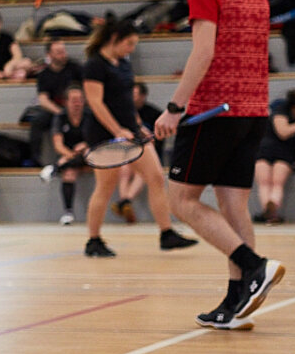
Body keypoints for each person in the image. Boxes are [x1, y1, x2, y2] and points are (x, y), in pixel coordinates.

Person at [155, 0, 286, 330]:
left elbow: (204, 51)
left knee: (181, 201)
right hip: (253, 111)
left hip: (213, 111)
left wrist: (175, 107)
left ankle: (253, 266)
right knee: (233, 205)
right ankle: (236, 302)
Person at [79, 16, 193, 258]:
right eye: (129, 43)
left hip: (131, 131)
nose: (131, 49)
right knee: (105, 186)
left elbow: (127, 103)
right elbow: (96, 103)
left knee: (156, 177)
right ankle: (93, 240)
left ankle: (166, 234)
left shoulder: (123, 64)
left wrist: (139, 126)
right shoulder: (94, 65)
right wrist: (117, 131)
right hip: (104, 135)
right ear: (114, 38)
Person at [252, 87, 295, 225]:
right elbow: (283, 132)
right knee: (271, 183)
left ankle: (268, 211)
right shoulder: (281, 110)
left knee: (271, 183)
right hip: (271, 149)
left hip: (277, 151)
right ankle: (272, 212)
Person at [113, 81, 164, 222]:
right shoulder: (124, 114)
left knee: (142, 172)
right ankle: (126, 202)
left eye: (134, 94)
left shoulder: (154, 114)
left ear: (143, 96)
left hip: (149, 154)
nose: (131, 97)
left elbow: (158, 140)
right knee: (125, 169)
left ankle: (125, 201)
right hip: (128, 153)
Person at [43, 84, 91, 226]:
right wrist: (71, 155)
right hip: (70, 156)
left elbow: (98, 139)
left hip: (90, 154)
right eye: (74, 100)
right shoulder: (60, 117)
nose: (77, 104)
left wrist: (85, 144)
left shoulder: (90, 115)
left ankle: (55, 168)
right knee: (69, 174)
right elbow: (58, 145)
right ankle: (68, 213)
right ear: (66, 102)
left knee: (88, 153)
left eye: (80, 100)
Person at [28, 39, 83, 163]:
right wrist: (59, 112)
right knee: (37, 121)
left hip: (77, 108)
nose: (63, 55)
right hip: (56, 109)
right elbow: (43, 100)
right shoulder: (44, 74)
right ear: (49, 55)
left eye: (63, 51)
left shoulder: (75, 68)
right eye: (58, 52)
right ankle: (35, 159)